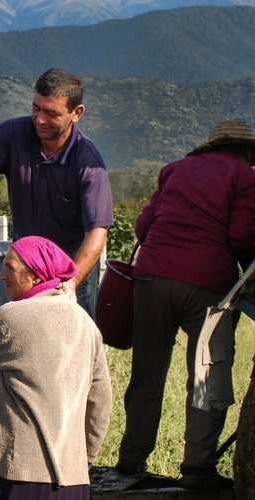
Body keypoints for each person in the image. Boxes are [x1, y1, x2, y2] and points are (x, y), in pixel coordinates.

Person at [116, 119, 255, 491]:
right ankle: (197, 470)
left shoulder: (175, 170)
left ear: (210, 147)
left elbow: (144, 227)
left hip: (152, 278)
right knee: (206, 376)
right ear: (246, 152)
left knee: (147, 374)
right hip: (207, 286)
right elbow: (242, 234)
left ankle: (130, 461)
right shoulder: (244, 176)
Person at [0, 68, 113, 317]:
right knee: (25, 338)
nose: (40, 119)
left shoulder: (87, 161)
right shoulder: (13, 136)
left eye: (51, 113)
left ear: (77, 113)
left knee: (72, 344)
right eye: (36, 108)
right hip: (25, 267)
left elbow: (97, 231)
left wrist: (71, 282)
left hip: (72, 268)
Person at [0, 235, 112, 500]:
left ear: (35, 275)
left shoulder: (9, 317)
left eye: (9, 267)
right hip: (73, 481)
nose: (1, 276)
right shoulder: (85, 323)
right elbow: (101, 401)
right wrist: (84, 459)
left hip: (19, 477)